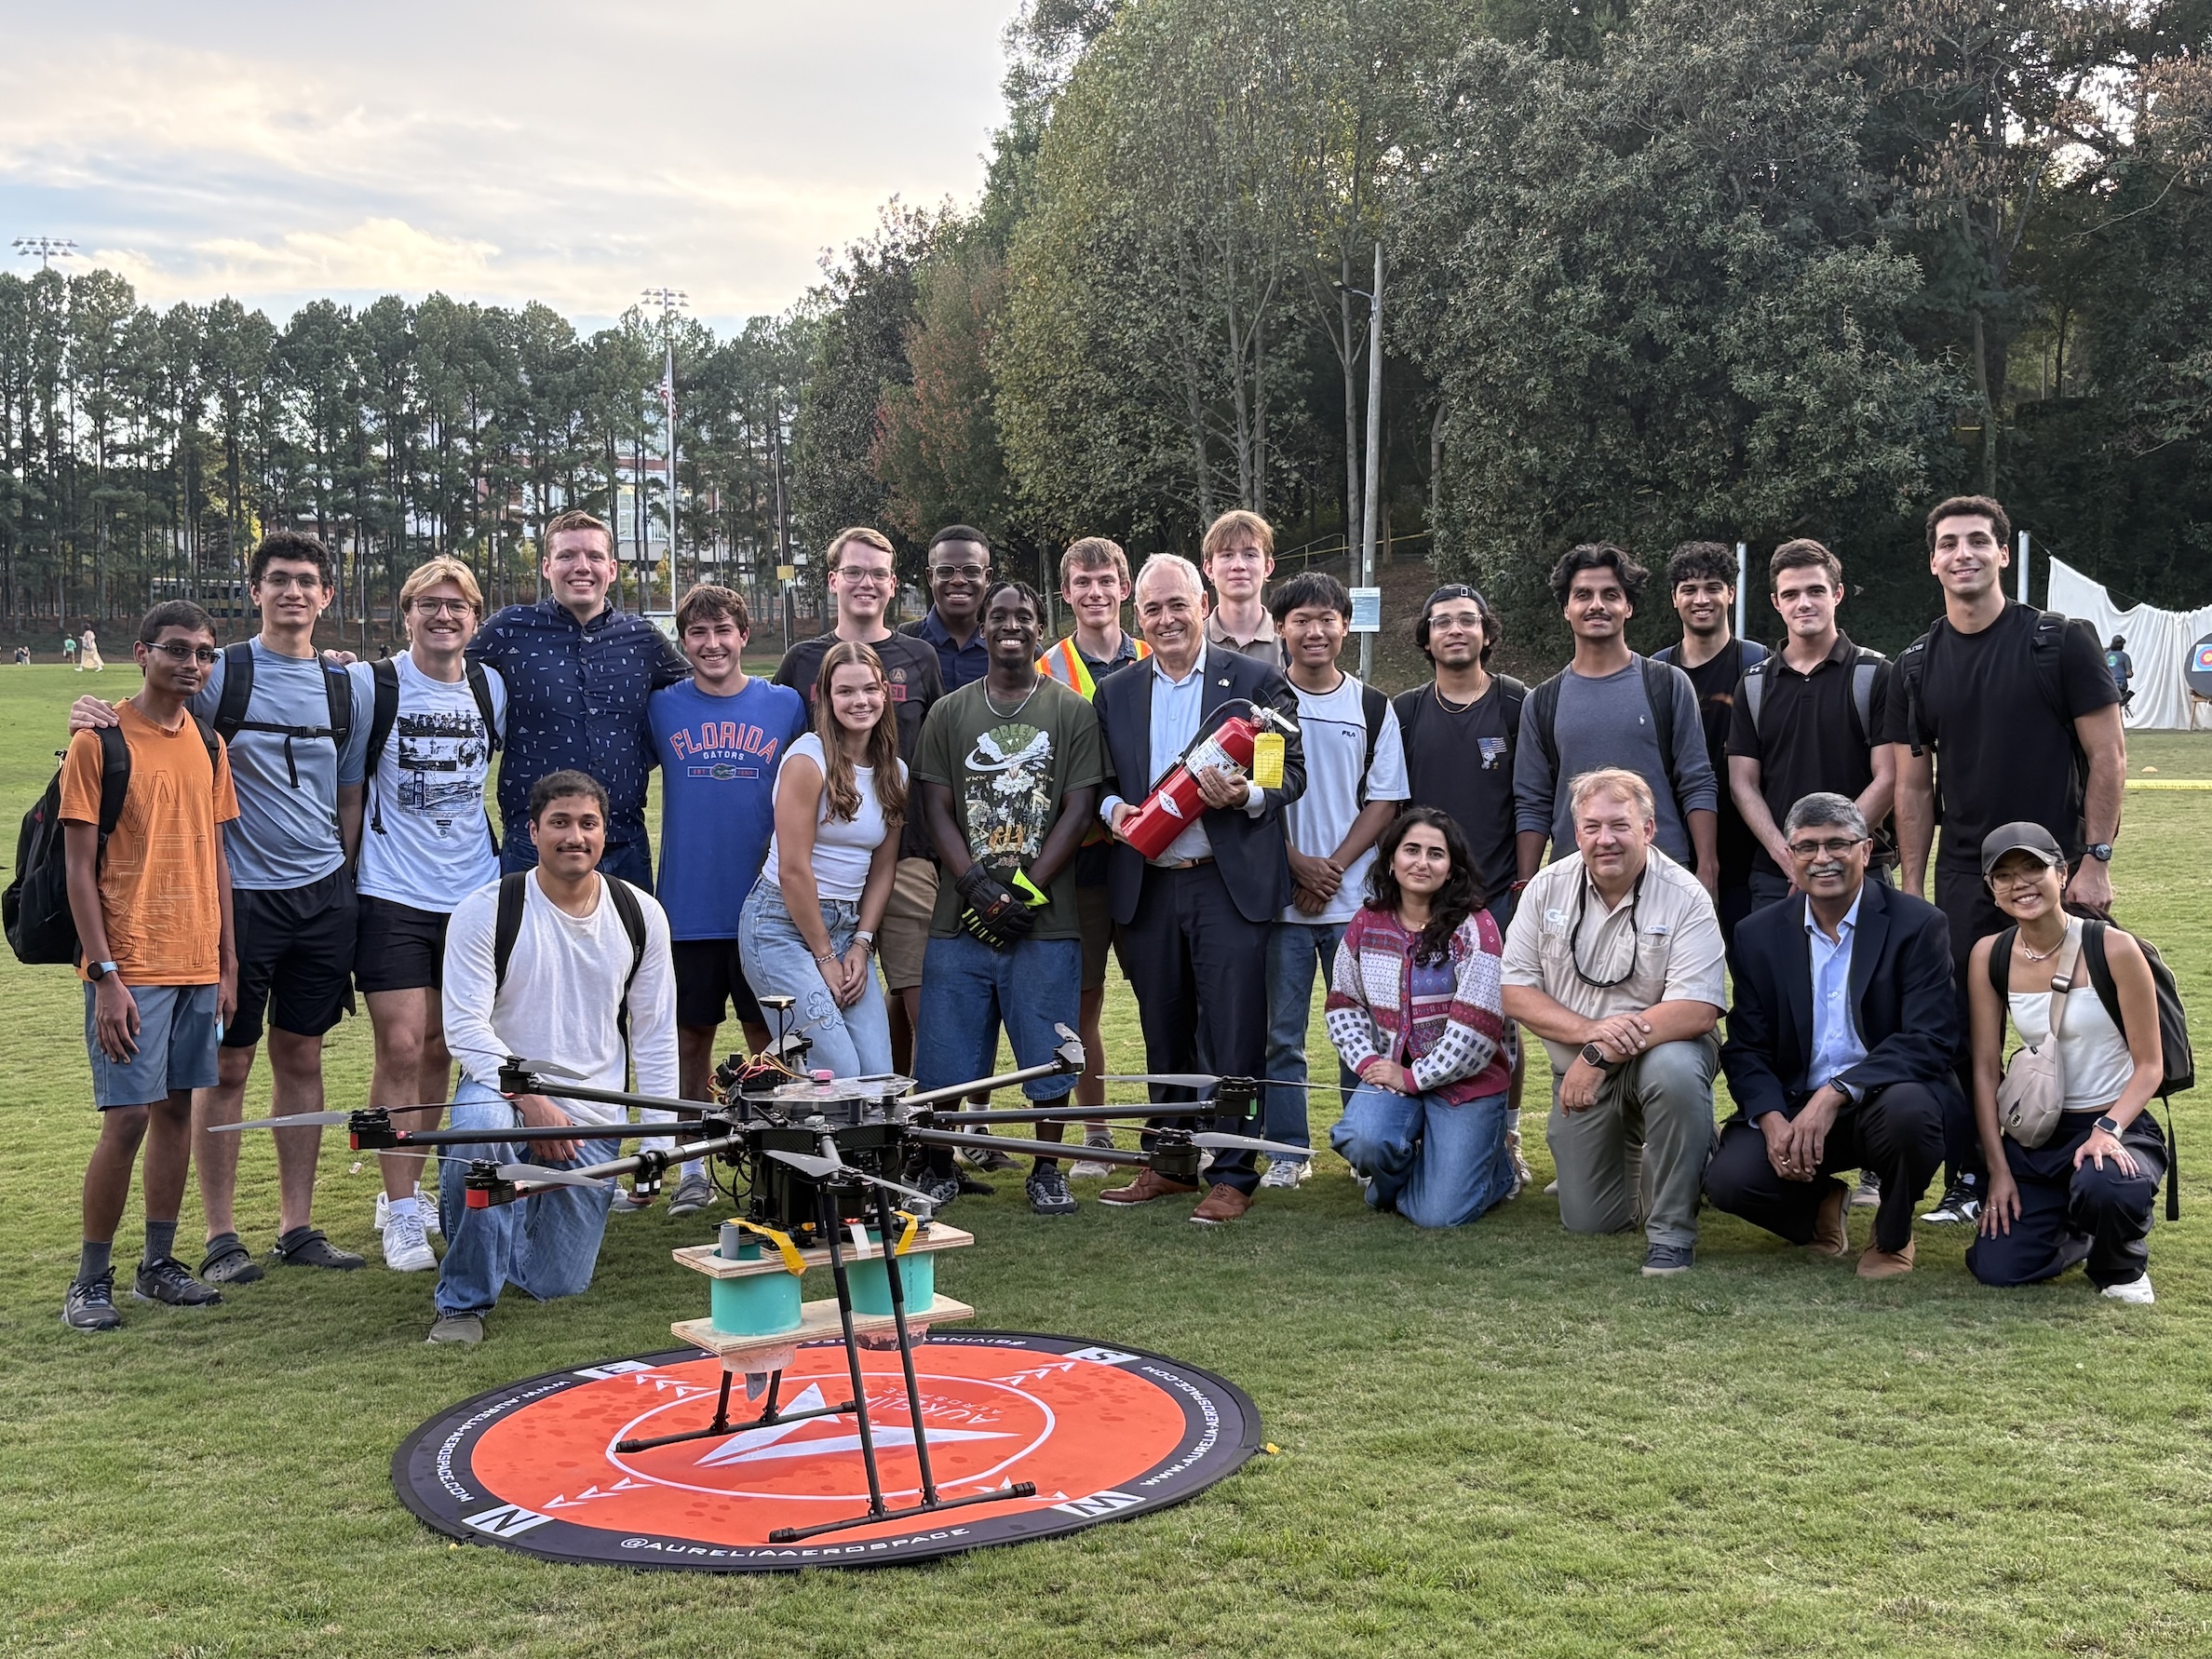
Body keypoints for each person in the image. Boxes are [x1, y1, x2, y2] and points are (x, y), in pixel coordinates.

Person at [73, 531, 374, 1282]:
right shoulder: (221, 672)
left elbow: (351, 794)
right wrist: (89, 711)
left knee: (302, 1056)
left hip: (322, 897)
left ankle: (297, 1226)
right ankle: (219, 1236)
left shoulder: (349, 686)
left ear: (326, 595)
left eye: (306, 580)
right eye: (278, 579)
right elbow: (148, 717)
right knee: (226, 1067)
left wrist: (342, 879)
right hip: (237, 899)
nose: (293, 592)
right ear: (255, 590)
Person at [1893, 494, 2124, 1226]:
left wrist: (2095, 860)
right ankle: (1970, 1177)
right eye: (1948, 543)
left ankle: (2082, 1167)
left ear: (2002, 552)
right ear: (1932, 561)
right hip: (1966, 876)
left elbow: (2108, 755)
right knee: (1969, 1031)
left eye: (1976, 540)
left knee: (2077, 1019)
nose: (1962, 553)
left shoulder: (2059, 641)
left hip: (2057, 869)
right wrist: (1912, 883)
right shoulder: (1916, 663)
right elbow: (1912, 785)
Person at [427, 771, 677, 1344]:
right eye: (559, 823)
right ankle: (462, 1302)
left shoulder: (640, 914)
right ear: (533, 831)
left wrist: (658, 1145)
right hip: (502, 1091)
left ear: (605, 831)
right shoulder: (485, 910)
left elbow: (655, 1033)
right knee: (480, 1130)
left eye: (588, 823)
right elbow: (464, 1027)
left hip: (592, 1113)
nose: (575, 837)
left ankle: (488, 1216)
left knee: (555, 1283)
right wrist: (531, 1098)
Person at [1093, 554, 1304, 1225]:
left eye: (1178, 605)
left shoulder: (1256, 683)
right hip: (1149, 886)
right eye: (1153, 609)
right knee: (1163, 1033)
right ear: (1138, 617)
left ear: (1203, 606)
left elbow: (1288, 775)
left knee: (1236, 1034)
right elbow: (1098, 779)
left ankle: (1234, 1172)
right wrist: (1112, 810)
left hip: (1225, 885)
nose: (1167, 619)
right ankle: (1171, 1162)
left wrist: (1246, 795)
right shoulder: (1116, 692)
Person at [60, 601, 241, 1330]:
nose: (192, 664)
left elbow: (218, 856)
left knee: (174, 1111)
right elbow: (77, 869)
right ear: (142, 653)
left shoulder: (209, 742)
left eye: (204, 653)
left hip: (197, 960)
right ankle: (90, 1279)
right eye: (177, 649)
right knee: (128, 1116)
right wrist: (104, 975)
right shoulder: (99, 741)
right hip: (130, 965)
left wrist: (227, 963)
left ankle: (158, 1265)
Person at [1701, 794, 1960, 1278]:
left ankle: (1892, 1235)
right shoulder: (1757, 935)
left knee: (1911, 1115)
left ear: (1866, 850)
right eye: (1807, 847)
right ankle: (1821, 1207)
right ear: (1790, 856)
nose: (1823, 858)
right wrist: (1771, 1119)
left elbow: (1930, 1039)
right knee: (1731, 1181)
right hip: (1795, 1104)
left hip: (1884, 1098)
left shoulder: (1918, 925)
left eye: (1838, 844)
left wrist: (1836, 1092)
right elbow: (1748, 1047)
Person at [911, 581, 1106, 1215]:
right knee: (943, 1051)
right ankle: (938, 1165)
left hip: (1043, 921)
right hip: (958, 919)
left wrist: (1020, 892)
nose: (1011, 625)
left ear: (1040, 627)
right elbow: (936, 808)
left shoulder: (1073, 711)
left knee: (1052, 1051)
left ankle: (1046, 1169)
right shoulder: (949, 713)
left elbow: (1078, 810)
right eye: (999, 616)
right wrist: (975, 886)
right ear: (984, 627)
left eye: (1024, 615)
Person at [1501, 768, 1726, 1275]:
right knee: (1591, 1220)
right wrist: (1589, 1037)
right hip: (1582, 1070)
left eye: (1620, 825)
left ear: (1648, 829)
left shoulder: (1686, 894)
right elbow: (1514, 992)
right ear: (1576, 832)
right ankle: (1696, 1146)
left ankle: (1672, 1233)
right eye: (1592, 826)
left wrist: (1601, 1052)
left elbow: (1697, 1009)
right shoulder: (1545, 888)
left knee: (1674, 1073)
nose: (1606, 839)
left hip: (1661, 1053)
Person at [352, 557, 507, 1274]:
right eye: (429, 604)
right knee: (401, 1046)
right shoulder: (371, 683)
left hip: (471, 892)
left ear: (475, 618)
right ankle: (400, 1208)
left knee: (444, 1046)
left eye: (457, 605)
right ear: (406, 613)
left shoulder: (490, 687)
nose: (443, 616)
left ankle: (410, 1187)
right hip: (392, 891)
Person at [647, 584, 807, 1218]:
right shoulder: (662, 706)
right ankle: (691, 1164)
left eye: (723, 631)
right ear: (683, 641)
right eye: (697, 633)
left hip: (765, 906)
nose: (711, 644)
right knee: (691, 1036)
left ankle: (770, 1156)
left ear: (744, 634)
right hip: (688, 904)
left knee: (768, 1036)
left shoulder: (784, 704)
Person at [1965, 823, 2167, 1303]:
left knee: (2107, 1183)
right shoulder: (1989, 955)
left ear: (2062, 873)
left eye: (2033, 868)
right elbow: (1985, 1069)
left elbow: (2150, 1066)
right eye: (2004, 876)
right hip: (2038, 1135)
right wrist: (1998, 1169)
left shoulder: (2114, 947)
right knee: (1998, 1268)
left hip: (2114, 1122)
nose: (2020, 884)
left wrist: (2108, 1129)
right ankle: (2077, 1228)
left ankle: (2120, 1263)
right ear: (1992, 890)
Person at [774, 528, 944, 1074]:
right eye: (853, 571)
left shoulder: (919, 656)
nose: (865, 582)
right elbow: (789, 760)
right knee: (833, 1008)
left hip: (905, 855)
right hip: (827, 871)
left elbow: (935, 757)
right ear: (833, 581)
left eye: (877, 573)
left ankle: (923, 1123)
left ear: (893, 584)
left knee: (921, 1001)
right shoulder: (803, 660)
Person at [1263, 571, 1408, 1188]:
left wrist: (1331, 869)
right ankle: (1287, 1152)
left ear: (1345, 627)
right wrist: (1295, 863)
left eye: (1327, 619)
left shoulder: (1372, 706)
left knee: (1362, 1034)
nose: (1314, 631)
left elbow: (1385, 801)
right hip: (1282, 903)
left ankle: (1359, 1145)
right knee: (1281, 1037)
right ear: (1281, 628)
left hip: (1353, 903)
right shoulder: (1265, 706)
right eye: (1301, 620)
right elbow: (1254, 799)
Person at [466, 507, 693, 892]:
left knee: (629, 934)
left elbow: (695, 696)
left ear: (612, 569)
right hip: (533, 843)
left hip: (622, 842)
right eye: (567, 556)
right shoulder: (508, 630)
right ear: (546, 566)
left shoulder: (643, 639)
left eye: (594, 556)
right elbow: (444, 671)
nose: (581, 567)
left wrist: (643, 753)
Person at [1393, 583, 1534, 1188]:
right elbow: (1392, 805)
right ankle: (1423, 1134)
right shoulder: (1404, 711)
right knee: (1421, 1017)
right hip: (1423, 899)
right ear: (1426, 638)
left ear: (1486, 632)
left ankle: (1508, 1135)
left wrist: (1525, 880)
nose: (1455, 629)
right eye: (1442, 621)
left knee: (1501, 1025)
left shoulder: (1516, 703)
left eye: (1467, 620)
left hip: (1497, 893)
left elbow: (1531, 799)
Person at [1326, 810, 1514, 1228]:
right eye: (1411, 850)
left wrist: (1413, 1078)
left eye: (1436, 854)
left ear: (1452, 868)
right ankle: (1419, 1173)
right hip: (1393, 1074)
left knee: (1439, 1216)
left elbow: (1478, 1030)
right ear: (1391, 860)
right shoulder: (1367, 922)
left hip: (1467, 1083)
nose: (1422, 863)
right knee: (1361, 1139)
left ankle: (1495, 1172)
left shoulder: (1476, 927)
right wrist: (1369, 1063)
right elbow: (1343, 1003)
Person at [1035, 537, 1152, 1179]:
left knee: (1164, 998)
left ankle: (1177, 1130)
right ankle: (1097, 1134)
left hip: (1149, 859)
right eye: (1082, 582)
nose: (1095, 592)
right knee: (1082, 1003)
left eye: (1106, 580)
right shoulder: (1046, 668)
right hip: (1080, 862)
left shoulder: (1156, 654)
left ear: (1125, 588)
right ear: (1066, 593)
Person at [740, 641, 908, 1079]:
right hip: (781, 926)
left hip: (848, 929)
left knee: (877, 1077)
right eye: (845, 691)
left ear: (884, 692)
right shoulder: (807, 759)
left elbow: (883, 868)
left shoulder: (895, 772)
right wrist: (824, 956)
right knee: (837, 1071)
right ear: (827, 698)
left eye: (869, 689)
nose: (860, 701)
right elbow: (792, 870)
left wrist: (861, 944)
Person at [1515, 544, 1719, 894]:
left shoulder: (1668, 685)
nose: (1597, 605)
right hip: (1574, 885)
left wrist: (1707, 868)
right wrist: (1527, 884)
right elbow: (1532, 802)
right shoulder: (1541, 702)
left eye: (1610, 595)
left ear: (1628, 607)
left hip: (1664, 880)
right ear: (1566, 609)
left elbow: (1697, 781)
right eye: (1583, 595)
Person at [1728, 540, 1896, 911]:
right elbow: (1743, 784)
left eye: (1816, 591)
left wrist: (1830, 852)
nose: (1803, 603)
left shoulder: (1877, 675)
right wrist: (1792, 859)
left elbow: (1888, 778)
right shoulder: (1753, 684)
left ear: (1837, 594)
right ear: (1776, 603)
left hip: (1860, 871)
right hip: (1777, 878)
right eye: (1791, 594)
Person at [1652, 543, 1766, 939]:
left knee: (1752, 965)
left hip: (1750, 855)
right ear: (1674, 598)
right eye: (1689, 589)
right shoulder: (1656, 673)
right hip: (1673, 855)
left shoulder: (1758, 665)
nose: (1701, 599)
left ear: (1731, 594)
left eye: (1712, 587)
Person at [899, 526, 993, 691]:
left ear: (987, 577)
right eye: (945, 571)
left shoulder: (1015, 647)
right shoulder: (903, 644)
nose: (958, 580)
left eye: (971, 571)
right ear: (931, 577)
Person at [1200, 509, 1286, 666]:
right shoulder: (1193, 642)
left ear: (1268, 566)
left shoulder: (1289, 641)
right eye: (1227, 555)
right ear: (1209, 569)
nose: (1238, 565)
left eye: (1250, 555)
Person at [2106, 635, 2135, 709]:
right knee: (2118, 707)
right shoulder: (2125, 656)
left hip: (2107, 685)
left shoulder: (2105, 655)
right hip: (2120, 686)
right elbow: (2129, 673)